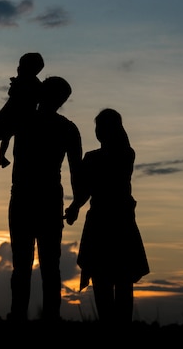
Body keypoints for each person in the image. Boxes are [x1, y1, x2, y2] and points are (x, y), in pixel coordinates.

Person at [0, 75, 83, 321]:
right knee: (47, 266)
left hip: (27, 197)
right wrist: (75, 204)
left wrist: (15, 99)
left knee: (26, 265)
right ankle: (44, 318)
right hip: (43, 199)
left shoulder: (25, 119)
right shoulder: (65, 127)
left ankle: (22, 316)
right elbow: (77, 174)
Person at [64, 108, 149, 328]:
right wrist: (74, 207)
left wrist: (74, 207)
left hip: (105, 224)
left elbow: (84, 190)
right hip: (118, 223)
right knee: (118, 281)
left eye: (101, 127)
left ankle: (111, 327)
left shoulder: (101, 157)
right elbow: (85, 191)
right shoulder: (126, 154)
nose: (99, 131)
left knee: (109, 281)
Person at [0, 52, 44, 168]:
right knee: (4, 134)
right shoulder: (25, 81)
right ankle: (2, 157)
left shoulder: (31, 83)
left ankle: (2, 157)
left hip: (20, 116)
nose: (18, 69)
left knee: (4, 134)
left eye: (21, 67)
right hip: (16, 115)